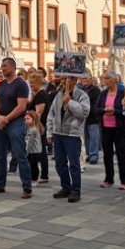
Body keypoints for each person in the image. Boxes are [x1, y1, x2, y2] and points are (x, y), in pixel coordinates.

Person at [0, 57, 33, 198]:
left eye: (5, 66)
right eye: (2, 66)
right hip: (0, 122)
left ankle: (27, 188)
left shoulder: (21, 84)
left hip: (16, 123)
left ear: (13, 67)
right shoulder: (1, 84)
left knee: (20, 155)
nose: (3, 68)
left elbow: (21, 107)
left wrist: (6, 119)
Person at [48, 75, 90, 203]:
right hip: (58, 133)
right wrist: (49, 132)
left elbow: (84, 112)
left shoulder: (82, 95)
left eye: (69, 79)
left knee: (74, 164)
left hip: (72, 134)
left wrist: (70, 102)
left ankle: (75, 190)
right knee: (60, 164)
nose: (65, 81)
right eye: (64, 79)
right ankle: (65, 187)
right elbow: (52, 114)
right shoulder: (58, 95)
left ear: (75, 80)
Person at [97, 72, 125, 189]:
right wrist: (105, 109)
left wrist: (114, 111)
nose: (105, 80)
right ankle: (108, 178)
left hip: (119, 128)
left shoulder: (123, 94)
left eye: (107, 78)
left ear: (114, 80)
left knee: (122, 154)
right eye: (104, 78)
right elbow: (97, 109)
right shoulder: (102, 94)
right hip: (106, 127)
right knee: (107, 154)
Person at [27, 73, 50, 184]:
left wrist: (33, 127)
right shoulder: (36, 94)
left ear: (39, 83)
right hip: (38, 126)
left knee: (40, 152)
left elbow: (38, 113)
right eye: (30, 82)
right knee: (38, 151)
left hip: (38, 126)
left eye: (32, 83)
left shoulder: (41, 95)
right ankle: (39, 174)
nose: (30, 85)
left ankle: (43, 175)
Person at [80, 73, 101, 164]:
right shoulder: (81, 89)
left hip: (93, 116)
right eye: (83, 78)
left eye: (86, 78)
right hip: (83, 116)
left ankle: (94, 156)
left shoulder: (96, 89)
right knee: (86, 137)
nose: (84, 80)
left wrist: (88, 109)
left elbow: (97, 103)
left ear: (91, 79)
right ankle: (89, 154)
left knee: (93, 137)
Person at [25, 111, 46, 186]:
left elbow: (29, 142)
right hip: (35, 150)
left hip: (34, 151)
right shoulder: (33, 128)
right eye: (25, 119)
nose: (26, 121)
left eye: (28, 119)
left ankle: (34, 179)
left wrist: (26, 152)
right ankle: (33, 179)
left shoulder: (32, 129)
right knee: (33, 165)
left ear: (34, 120)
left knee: (33, 166)